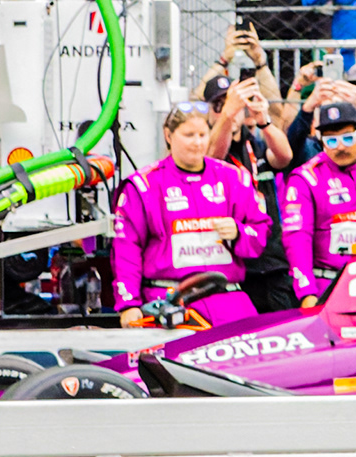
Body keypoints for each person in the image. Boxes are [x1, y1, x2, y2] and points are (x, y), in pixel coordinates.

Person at [113, 100, 268, 320]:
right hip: (168, 301)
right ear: (168, 136)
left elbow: (261, 233)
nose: (197, 143)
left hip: (228, 299)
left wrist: (238, 232)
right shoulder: (144, 185)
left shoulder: (234, 178)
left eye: (202, 135)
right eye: (189, 135)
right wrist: (129, 304)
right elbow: (126, 248)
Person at [280, 109, 356, 302]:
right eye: (331, 141)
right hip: (330, 284)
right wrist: (306, 292)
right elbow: (297, 238)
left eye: (348, 138)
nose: (340, 147)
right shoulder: (306, 178)